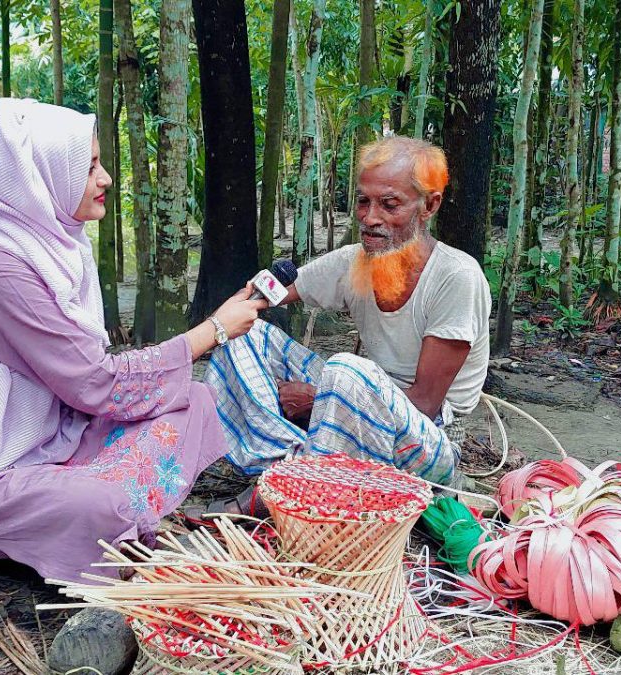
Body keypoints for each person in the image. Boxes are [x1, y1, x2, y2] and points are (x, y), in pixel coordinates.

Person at [0, 98, 267, 580]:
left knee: (192, 399)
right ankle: (105, 511)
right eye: (90, 166)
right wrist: (212, 331)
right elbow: (95, 382)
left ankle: (111, 503)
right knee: (102, 503)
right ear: (39, 175)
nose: (106, 177)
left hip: (62, 434)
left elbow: (88, 375)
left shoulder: (58, 247)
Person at [202, 136, 491, 494]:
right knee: (240, 334)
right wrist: (249, 298)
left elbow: (424, 406)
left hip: (429, 438)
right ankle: (290, 463)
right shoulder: (352, 261)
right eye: (363, 202)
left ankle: (290, 481)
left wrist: (317, 399)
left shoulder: (457, 277)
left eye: (389, 204)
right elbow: (254, 304)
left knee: (345, 371)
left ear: (429, 206)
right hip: (357, 407)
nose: (370, 218)